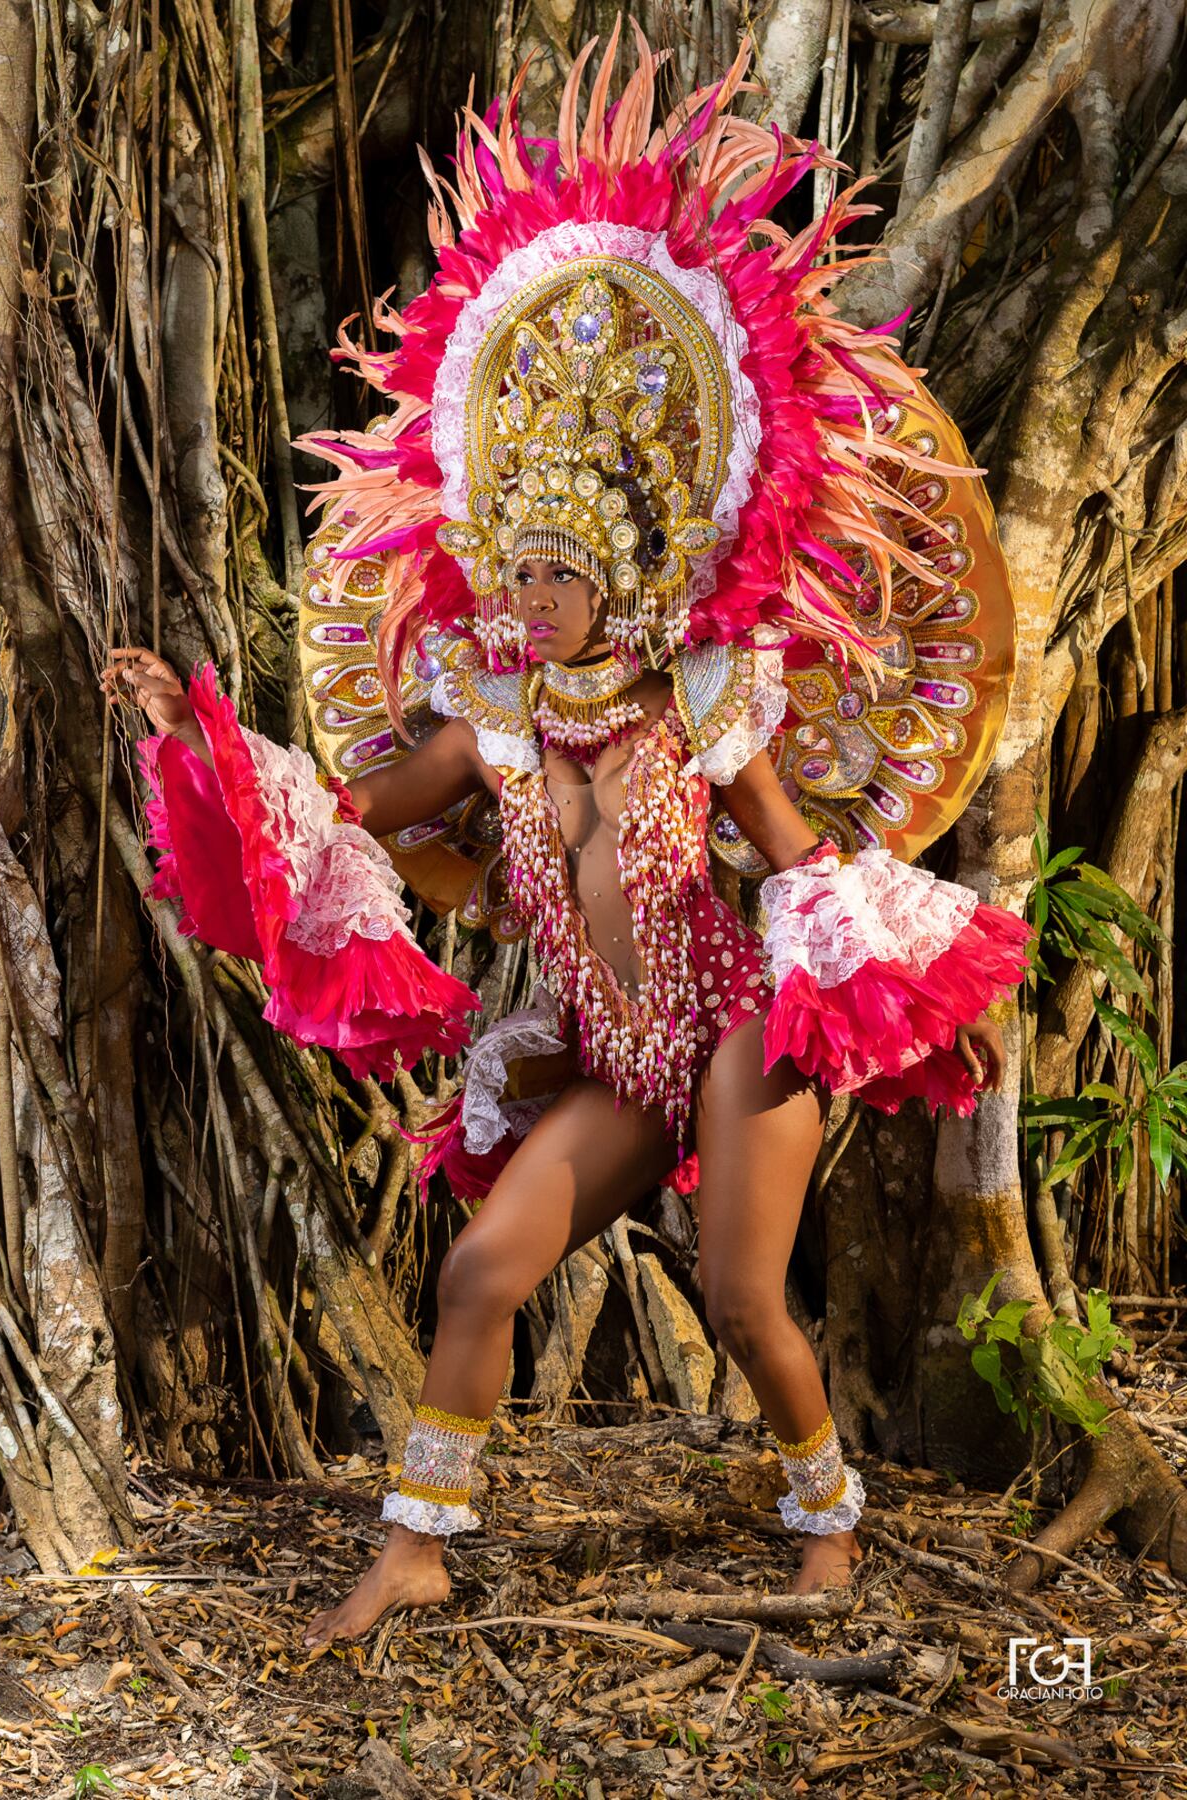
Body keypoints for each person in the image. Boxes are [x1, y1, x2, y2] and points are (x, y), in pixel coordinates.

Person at [103, 25, 1032, 1647]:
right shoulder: (487, 717)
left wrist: (894, 974)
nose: (517, 600)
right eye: (507, 571)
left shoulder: (705, 702)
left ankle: (829, 1529)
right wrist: (197, 730)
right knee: (479, 1274)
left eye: (549, 577)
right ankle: (416, 1546)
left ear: (619, 581)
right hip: (610, 1052)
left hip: (741, 1034)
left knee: (746, 1302)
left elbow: (804, 865)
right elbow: (344, 812)